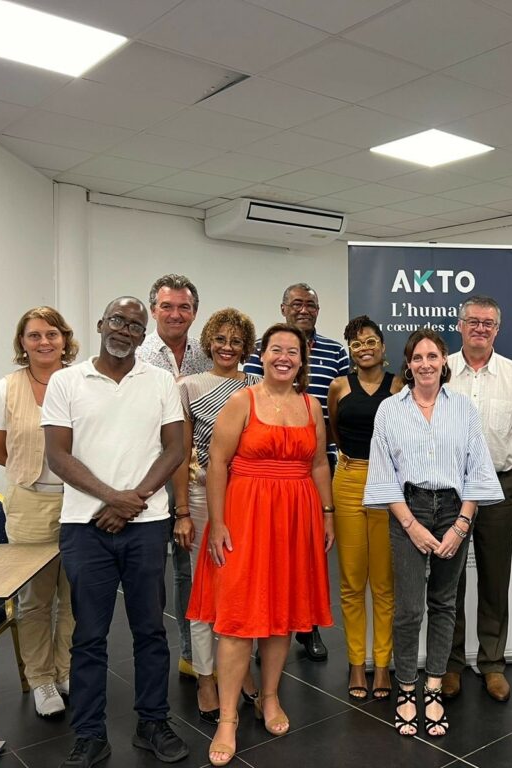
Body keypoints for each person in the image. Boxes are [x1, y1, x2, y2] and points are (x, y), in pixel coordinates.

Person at [43, 297, 189, 768]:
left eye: (134, 326)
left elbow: (175, 449)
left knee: (150, 630)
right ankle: (89, 734)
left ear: (143, 336)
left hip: (146, 525)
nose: (124, 330)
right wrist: (111, 497)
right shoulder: (67, 381)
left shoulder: (160, 381)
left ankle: (153, 723)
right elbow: (57, 456)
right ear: (101, 324)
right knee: (89, 635)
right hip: (84, 528)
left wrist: (131, 501)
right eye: (117, 321)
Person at [188, 323, 335, 767]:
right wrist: (217, 523)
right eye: (276, 349)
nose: (284, 357)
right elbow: (217, 464)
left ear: (302, 360)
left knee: (281, 616)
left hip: (295, 518)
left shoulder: (311, 405)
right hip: (246, 516)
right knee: (237, 619)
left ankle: (269, 696)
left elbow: (318, 464)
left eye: (292, 351)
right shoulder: (242, 400)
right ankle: (227, 717)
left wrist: (327, 514)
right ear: (263, 355)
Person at [364, 328, 502, 739]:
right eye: (417, 357)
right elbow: (383, 472)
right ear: (408, 365)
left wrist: (462, 524)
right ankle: (407, 688)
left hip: (454, 510)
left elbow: (477, 468)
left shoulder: (462, 408)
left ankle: (435, 687)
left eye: (432, 356)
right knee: (408, 608)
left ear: (444, 361)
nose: (425, 363)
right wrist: (410, 524)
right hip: (408, 508)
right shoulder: (390, 410)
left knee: (444, 603)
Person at [244, 282, 349, 662]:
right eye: (297, 304)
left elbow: (343, 403)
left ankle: (308, 628)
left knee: (309, 553)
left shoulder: (336, 352)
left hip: (318, 460)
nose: (304, 309)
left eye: (311, 304)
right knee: (269, 555)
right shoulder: (262, 350)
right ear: (283, 308)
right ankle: (267, 629)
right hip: (270, 465)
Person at [0, 306, 79, 718]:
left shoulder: (80, 382)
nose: (44, 342)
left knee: (75, 596)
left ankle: (67, 670)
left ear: (64, 339)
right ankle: (41, 679)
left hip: (79, 501)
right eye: (35, 335)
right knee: (35, 599)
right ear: (22, 342)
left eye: (52, 334)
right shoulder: (6, 388)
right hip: (29, 502)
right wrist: (31, 472)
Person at [170, 308, 262, 724]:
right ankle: (206, 677)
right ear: (209, 342)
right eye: (221, 340)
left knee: (243, 588)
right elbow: (180, 453)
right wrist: (182, 512)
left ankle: (240, 670)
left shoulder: (256, 386)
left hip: (248, 499)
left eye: (236, 341)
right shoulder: (189, 387)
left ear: (246, 347)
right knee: (203, 589)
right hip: (202, 496)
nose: (227, 347)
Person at [443, 296, 512, 703]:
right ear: (460, 325)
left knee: (496, 578)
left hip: (498, 486)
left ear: (498, 329)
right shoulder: (441, 370)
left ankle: (493, 663)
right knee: (450, 578)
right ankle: (450, 663)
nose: (480, 328)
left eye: (488, 323)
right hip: (448, 488)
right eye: (473, 321)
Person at [326, 315, 403, 701]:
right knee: (352, 580)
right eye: (356, 343)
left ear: (383, 346)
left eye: (371, 341)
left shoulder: (399, 385)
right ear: (350, 351)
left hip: (388, 483)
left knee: (384, 583)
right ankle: (357, 662)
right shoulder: (339, 386)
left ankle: (383, 663)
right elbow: (336, 433)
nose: (364, 348)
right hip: (349, 479)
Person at [137, 273, 208, 679]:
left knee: (187, 568)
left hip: (191, 474)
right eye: (167, 306)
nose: (175, 314)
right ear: (154, 310)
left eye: (184, 307)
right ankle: (151, 658)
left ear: (194, 312)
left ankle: (191, 653)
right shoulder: (138, 354)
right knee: (148, 573)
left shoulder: (206, 353)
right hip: (147, 474)